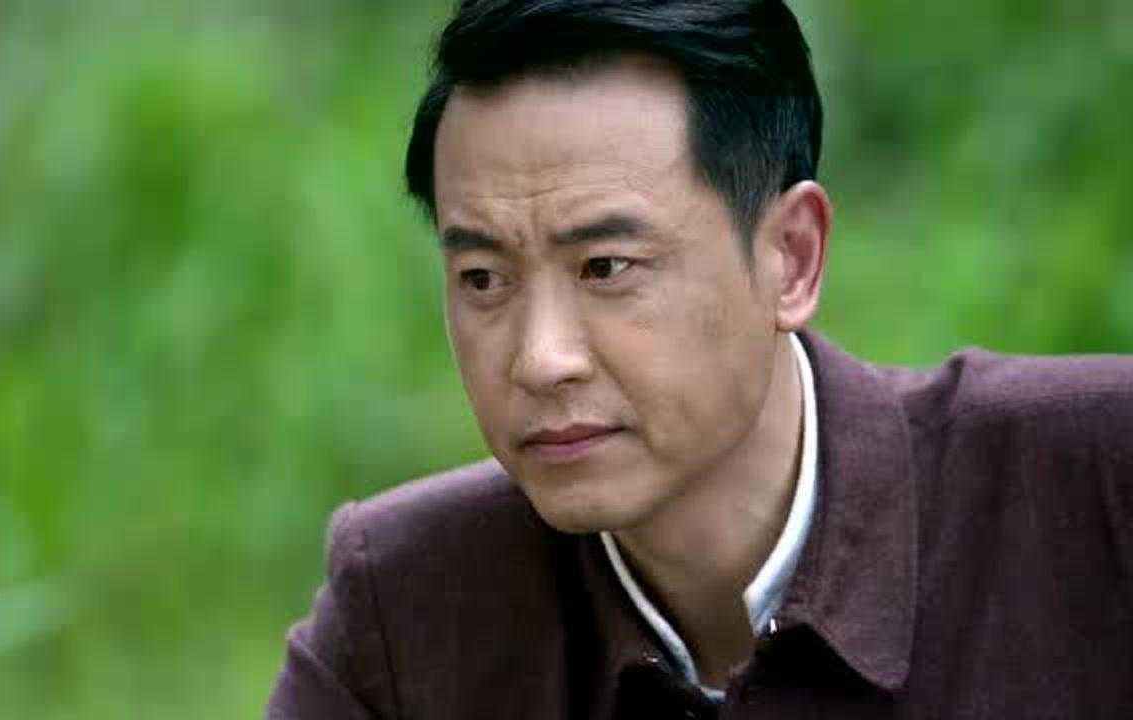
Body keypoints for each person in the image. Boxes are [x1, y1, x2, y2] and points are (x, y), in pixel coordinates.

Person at [267, 1, 1133, 717]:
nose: (540, 359)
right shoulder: (407, 609)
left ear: (792, 258)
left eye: (606, 267)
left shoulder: (1092, 485)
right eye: (483, 278)